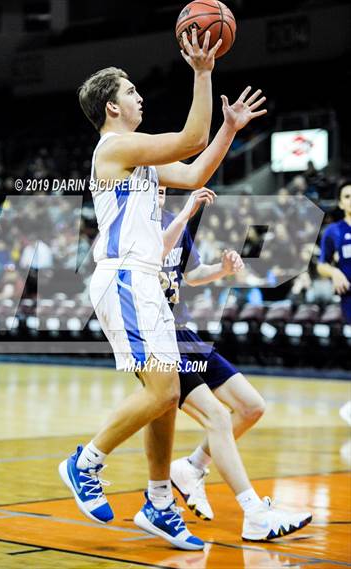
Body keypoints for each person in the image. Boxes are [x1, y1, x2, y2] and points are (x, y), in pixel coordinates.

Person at [59, 30, 224, 551]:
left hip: (145, 280)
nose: (140, 97)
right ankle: (84, 463)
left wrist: (232, 128)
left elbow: (196, 166)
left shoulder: (140, 159)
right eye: (131, 92)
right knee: (161, 392)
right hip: (126, 277)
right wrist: (202, 72)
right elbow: (190, 139)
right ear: (112, 107)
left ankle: (157, 502)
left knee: (167, 396)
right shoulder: (116, 147)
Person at [158, 186, 312, 541]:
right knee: (218, 418)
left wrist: (223, 270)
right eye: (154, 186)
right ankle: (254, 513)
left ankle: (192, 467)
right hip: (158, 339)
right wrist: (187, 216)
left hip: (185, 333)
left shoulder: (172, 221)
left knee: (251, 407)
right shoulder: (133, 226)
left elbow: (192, 275)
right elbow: (153, 255)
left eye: (163, 187)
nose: (160, 192)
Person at [317, 181, 351, 429]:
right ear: (341, 202)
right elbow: (321, 264)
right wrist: (335, 272)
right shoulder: (334, 232)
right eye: (347, 196)